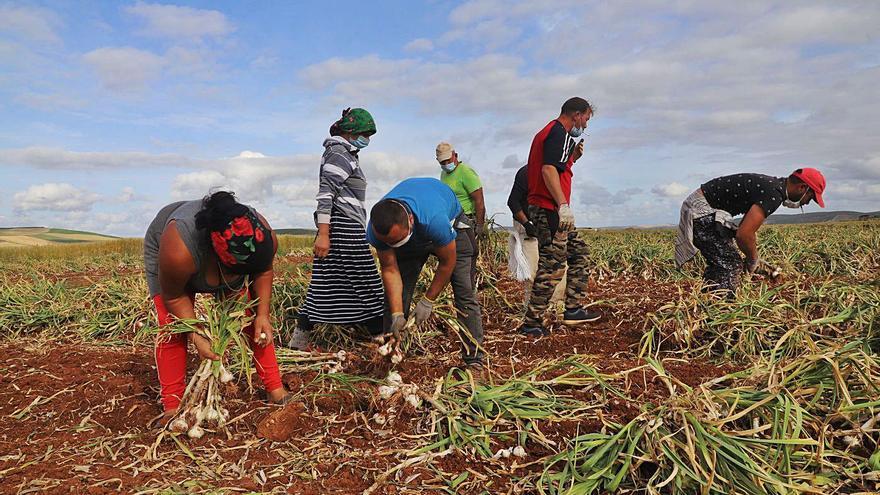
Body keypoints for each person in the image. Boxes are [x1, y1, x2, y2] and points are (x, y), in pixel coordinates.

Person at [144, 191, 288, 422]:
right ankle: (173, 406)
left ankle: (275, 389)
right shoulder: (179, 249)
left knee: (249, 319)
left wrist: (263, 314)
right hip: (173, 256)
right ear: (220, 261)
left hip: (221, 261)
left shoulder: (262, 235)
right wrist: (195, 333)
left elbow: (263, 271)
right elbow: (174, 297)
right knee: (172, 328)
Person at [288, 108, 385, 350]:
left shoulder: (346, 153)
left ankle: (297, 343)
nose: (368, 139)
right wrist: (323, 234)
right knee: (367, 284)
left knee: (325, 284)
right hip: (343, 227)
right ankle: (383, 342)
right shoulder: (339, 154)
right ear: (351, 132)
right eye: (364, 133)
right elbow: (325, 194)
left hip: (341, 226)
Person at [366, 178, 484, 371]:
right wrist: (397, 313)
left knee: (465, 294)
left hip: (452, 228)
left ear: (410, 221)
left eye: (398, 241)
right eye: (391, 244)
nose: (394, 247)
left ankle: (474, 360)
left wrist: (427, 301)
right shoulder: (376, 231)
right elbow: (389, 268)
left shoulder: (434, 220)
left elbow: (448, 262)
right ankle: (391, 356)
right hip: (414, 237)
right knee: (395, 299)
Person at [518, 97, 600, 337]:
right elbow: (548, 169)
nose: (584, 126)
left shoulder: (552, 135)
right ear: (576, 114)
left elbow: (555, 165)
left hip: (549, 209)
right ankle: (532, 322)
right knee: (552, 265)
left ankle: (573, 308)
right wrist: (562, 205)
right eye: (585, 119)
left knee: (579, 253)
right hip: (549, 209)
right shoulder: (558, 133)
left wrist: (572, 157)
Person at [675, 168, 826, 295]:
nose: (805, 203)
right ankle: (719, 310)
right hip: (701, 209)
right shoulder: (773, 194)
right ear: (802, 188)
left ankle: (708, 296)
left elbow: (744, 229)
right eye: (810, 198)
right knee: (730, 264)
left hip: (702, 206)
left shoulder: (772, 187)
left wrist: (752, 258)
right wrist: (753, 259)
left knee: (723, 260)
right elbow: (744, 234)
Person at [506, 164, 565, 307]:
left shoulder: (560, 172)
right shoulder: (526, 173)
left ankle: (556, 308)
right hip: (528, 226)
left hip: (550, 224)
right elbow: (513, 202)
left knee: (559, 269)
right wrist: (527, 224)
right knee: (533, 271)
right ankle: (532, 310)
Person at [436, 142, 485, 284]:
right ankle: (463, 288)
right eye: (442, 162)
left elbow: (479, 201)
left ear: (455, 155)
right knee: (457, 257)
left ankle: (468, 290)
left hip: (467, 220)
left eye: (448, 160)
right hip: (452, 221)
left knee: (467, 256)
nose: (446, 164)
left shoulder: (466, 172)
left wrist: (480, 226)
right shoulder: (444, 174)